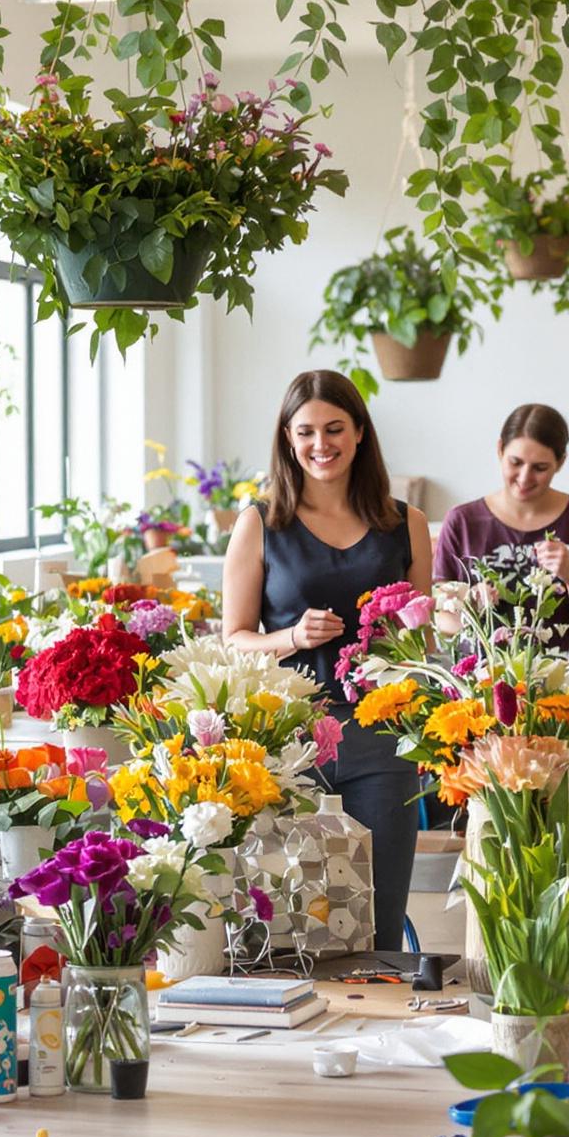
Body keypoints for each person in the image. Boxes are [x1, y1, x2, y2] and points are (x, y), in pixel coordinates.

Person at [223, 369, 431, 952]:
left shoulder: (405, 524)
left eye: (335, 428)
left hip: (385, 736)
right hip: (289, 736)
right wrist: (291, 637)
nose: (322, 444)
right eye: (307, 431)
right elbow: (234, 638)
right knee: (286, 911)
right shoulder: (260, 523)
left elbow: (425, 644)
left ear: (360, 432)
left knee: (382, 914)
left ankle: (382, 1026)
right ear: (288, 439)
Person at [433, 403, 569, 644]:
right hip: (482, 676)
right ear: (500, 450)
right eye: (516, 463)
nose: (524, 477)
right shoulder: (463, 522)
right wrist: (471, 608)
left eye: (540, 468)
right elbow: (441, 618)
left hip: (565, 675)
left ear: (560, 462)